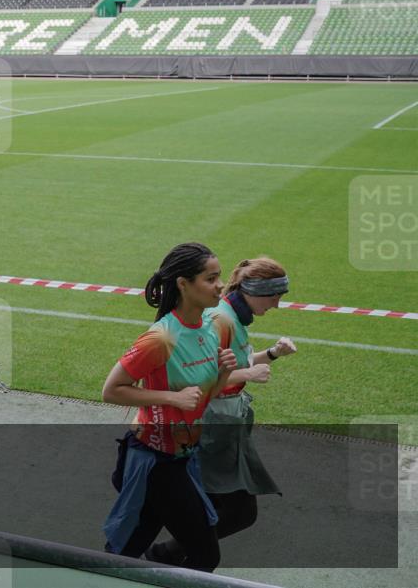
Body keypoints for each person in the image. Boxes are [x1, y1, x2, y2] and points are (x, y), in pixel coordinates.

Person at [146, 257, 297, 566]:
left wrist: (271, 354)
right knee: (236, 512)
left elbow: (235, 365)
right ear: (254, 290)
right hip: (212, 425)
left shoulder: (233, 317)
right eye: (274, 296)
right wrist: (248, 376)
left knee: (220, 507)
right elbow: (202, 373)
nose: (277, 305)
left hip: (224, 424)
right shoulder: (220, 319)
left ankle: (168, 554)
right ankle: (171, 555)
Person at [101, 242, 237, 572]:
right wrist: (170, 398)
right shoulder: (160, 339)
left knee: (127, 548)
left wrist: (224, 374)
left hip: (184, 457)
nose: (221, 285)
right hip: (155, 462)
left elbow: (200, 400)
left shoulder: (217, 326)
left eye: (219, 276)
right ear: (183, 284)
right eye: (211, 278)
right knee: (205, 555)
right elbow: (111, 390)